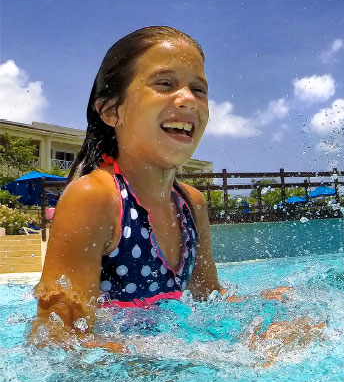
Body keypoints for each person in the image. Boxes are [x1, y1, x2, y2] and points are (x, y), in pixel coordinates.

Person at [29, 26, 320, 356]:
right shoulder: (96, 199)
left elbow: (209, 300)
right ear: (112, 110)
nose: (187, 99)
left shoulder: (191, 204)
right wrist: (196, 356)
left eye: (199, 89)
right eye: (164, 84)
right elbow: (56, 338)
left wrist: (270, 307)